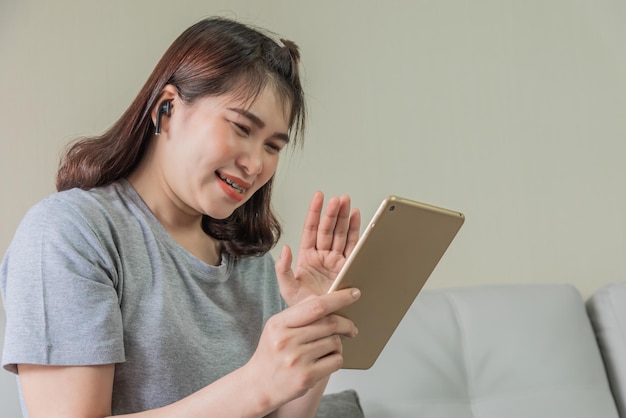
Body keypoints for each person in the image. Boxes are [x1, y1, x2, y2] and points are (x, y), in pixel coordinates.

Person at [0, 17, 362, 417]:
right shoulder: (69, 233)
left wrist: (313, 326)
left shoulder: (253, 264)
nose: (256, 164)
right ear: (166, 109)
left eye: (273, 146)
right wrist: (256, 383)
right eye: (242, 127)